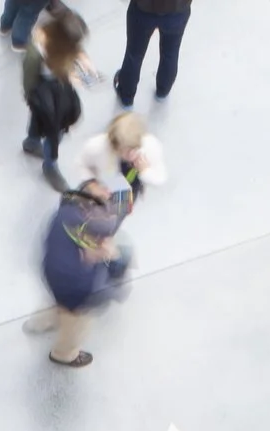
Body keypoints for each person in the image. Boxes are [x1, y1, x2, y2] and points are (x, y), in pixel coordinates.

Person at [36, 180, 123, 367]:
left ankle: (42, 322)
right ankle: (64, 354)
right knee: (76, 327)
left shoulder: (63, 214)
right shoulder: (91, 232)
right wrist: (104, 255)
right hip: (74, 291)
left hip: (53, 276)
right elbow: (90, 276)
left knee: (58, 305)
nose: (107, 191)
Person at [20, 6, 88, 188]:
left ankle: (31, 142)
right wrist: (30, 97)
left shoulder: (61, 50)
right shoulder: (38, 52)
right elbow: (29, 77)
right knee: (53, 130)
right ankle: (50, 165)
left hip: (54, 88)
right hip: (43, 91)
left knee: (40, 120)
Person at [74, 110, 166, 213]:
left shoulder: (152, 146)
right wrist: (92, 186)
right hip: (106, 185)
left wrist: (145, 171)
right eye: (124, 151)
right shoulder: (96, 146)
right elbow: (82, 164)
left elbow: (160, 179)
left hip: (131, 188)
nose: (131, 156)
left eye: (134, 148)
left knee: (121, 210)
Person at [112, 0, 190, 106]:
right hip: (177, 9)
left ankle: (126, 96)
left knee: (134, 54)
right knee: (170, 52)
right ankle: (163, 90)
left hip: (143, 8)